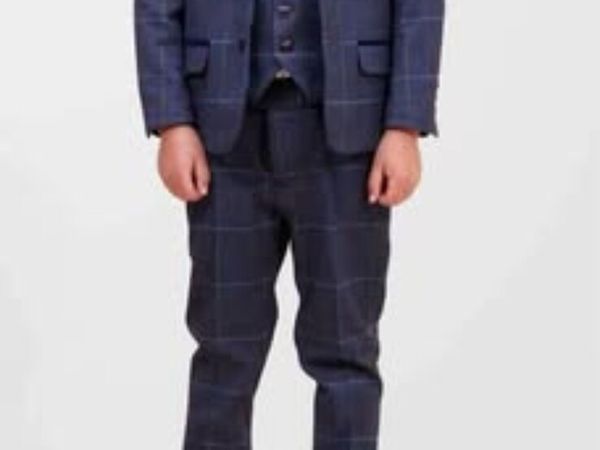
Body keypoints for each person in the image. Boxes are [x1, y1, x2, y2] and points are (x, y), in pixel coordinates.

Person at [134, 0, 444, 448]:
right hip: (224, 137)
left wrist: (406, 125)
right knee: (223, 352)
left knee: (347, 351)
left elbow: (420, 8)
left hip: (350, 136)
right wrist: (172, 121)